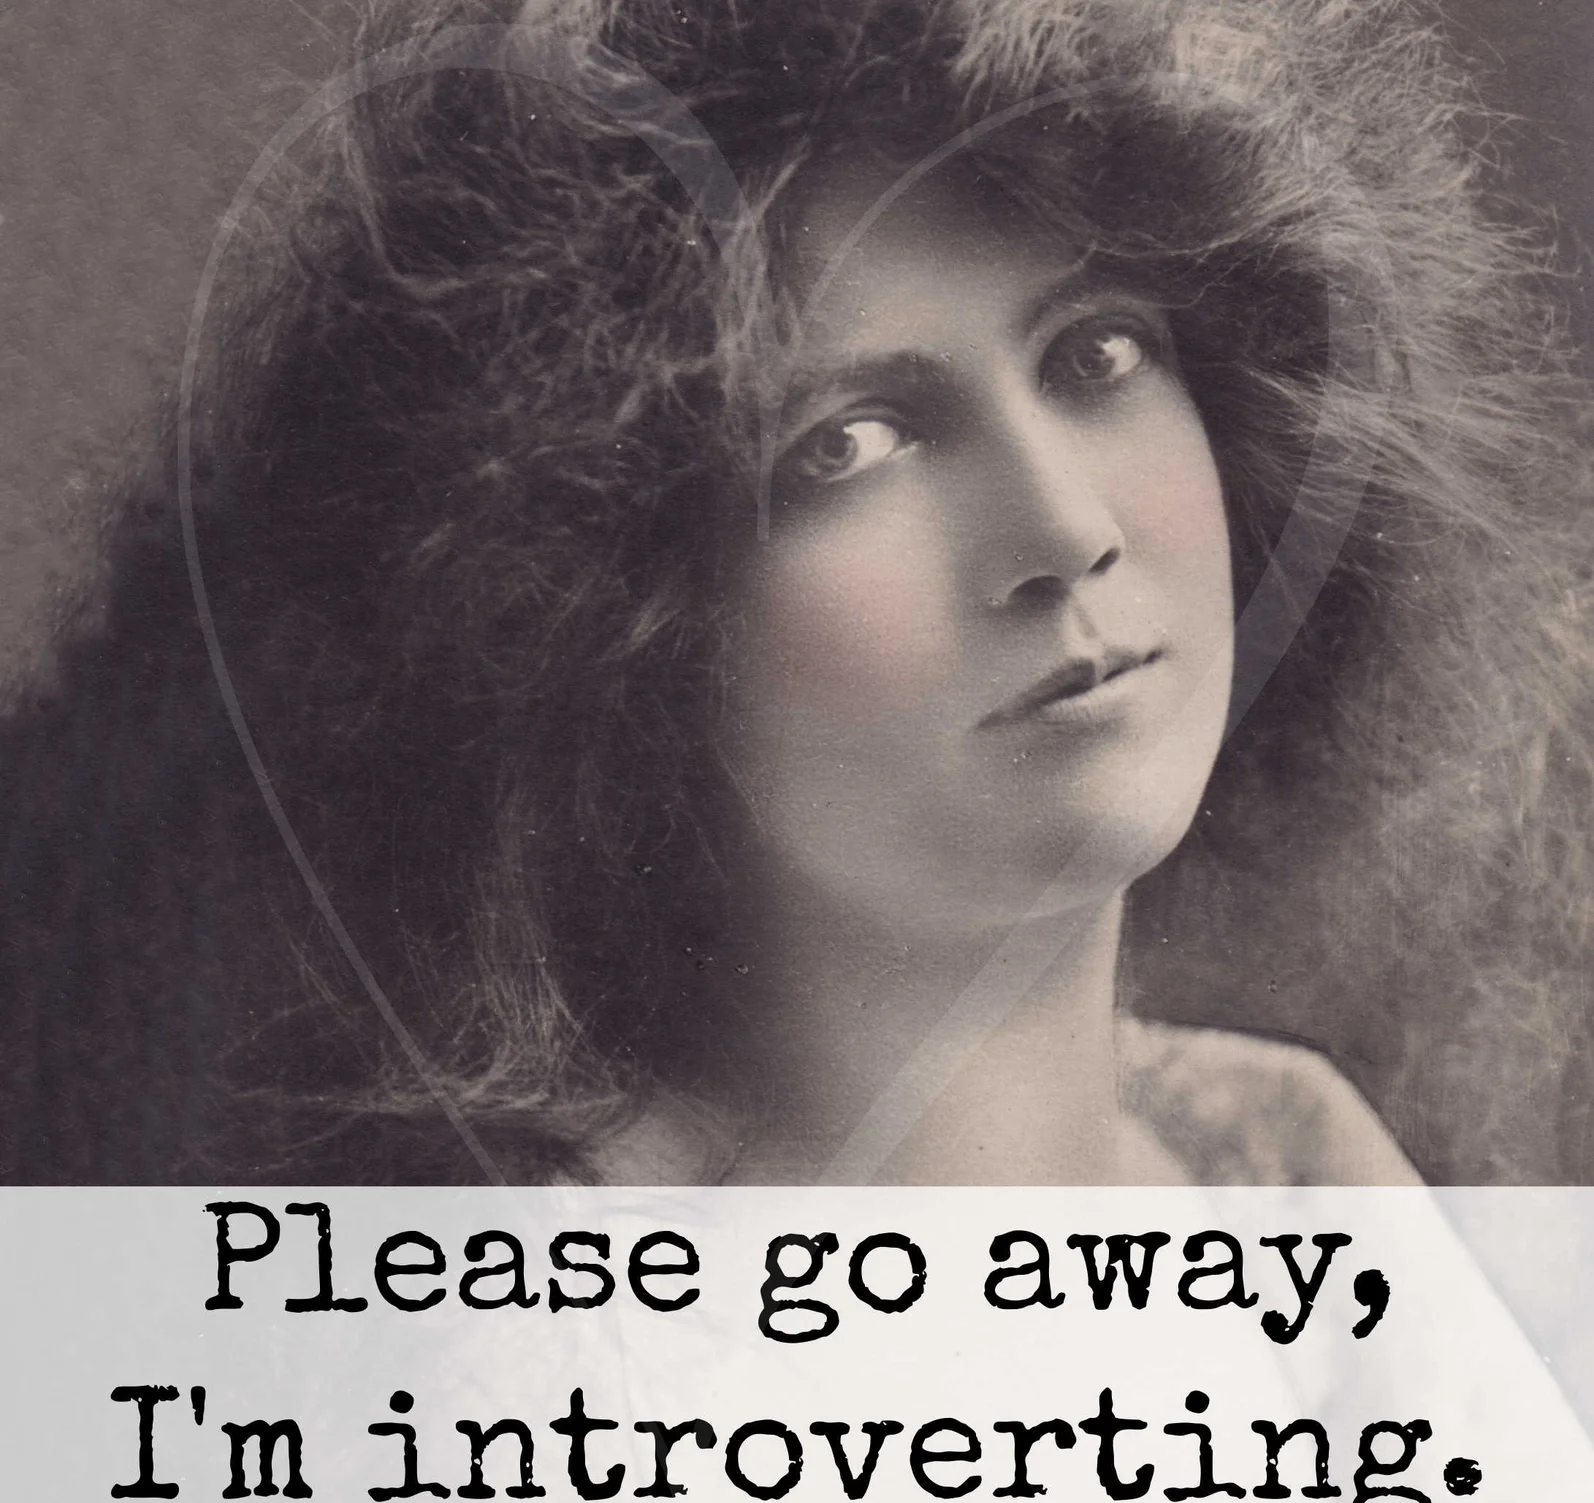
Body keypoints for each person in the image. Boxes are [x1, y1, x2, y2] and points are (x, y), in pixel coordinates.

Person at [0, 4, 1588, 1201]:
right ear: (603, 627)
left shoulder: (1288, 1176)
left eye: (1095, 354)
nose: (1062, 530)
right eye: (845, 446)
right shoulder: (565, 1421)